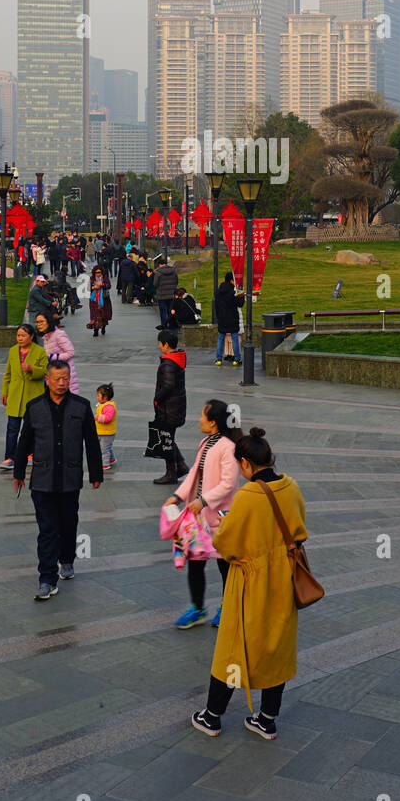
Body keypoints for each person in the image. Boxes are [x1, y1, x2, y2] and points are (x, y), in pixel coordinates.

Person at [191, 429, 308, 742]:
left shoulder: (247, 496)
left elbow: (225, 543)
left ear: (245, 463)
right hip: (284, 578)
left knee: (234, 647)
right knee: (276, 645)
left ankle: (212, 716)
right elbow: (299, 528)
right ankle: (267, 719)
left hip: (250, 581)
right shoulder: (291, 486)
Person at [14, 360, 103, 600]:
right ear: (48, 380)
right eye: (57, 379)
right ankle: (47, 578)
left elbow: (92, 443)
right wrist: (18, 472)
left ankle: (67, 559)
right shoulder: (34, 408)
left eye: (65, 378)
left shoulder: (81, 407)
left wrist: (96, 474)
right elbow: (24, 443)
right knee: (47, 529)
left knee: (68, 523)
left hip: (70, 478)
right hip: (42, 479)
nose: (62, 383)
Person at [164, 399, 241, 629]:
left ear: (214, 423)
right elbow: (192, 475)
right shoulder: (205, 442)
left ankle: (228, 606)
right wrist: (178, 497)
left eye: (202, 416)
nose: (199, 419)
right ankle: (197, 608)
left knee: (225, 566)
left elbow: (229, 483)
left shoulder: (228, 447)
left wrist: (204, 500)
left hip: (219, 518)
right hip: (197, 517)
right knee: (196, 563)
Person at [0, 323, 48, 469]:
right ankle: (10, 457)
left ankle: (31, 453)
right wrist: (5, 392)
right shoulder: (13, 351)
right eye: (18, 335)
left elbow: (46, 371)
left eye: (23, 335)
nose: (19, 338)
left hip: (33, 396)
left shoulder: (39, 352)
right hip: (15, 395)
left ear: (31, 336)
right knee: (12, 429)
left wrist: (32, 369)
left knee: (31, 428)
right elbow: (7, 373)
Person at [152, 329, 190, 485]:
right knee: (168, 437)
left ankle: (171, 473)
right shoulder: (177, 359)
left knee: (165, 439)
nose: (159, 346)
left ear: (165, 344)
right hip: (176, 406)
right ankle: (180, 465)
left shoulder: (168, 363)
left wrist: (157, 399)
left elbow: (168, 385)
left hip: (168, 408)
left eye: (160, 344)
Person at [35, 312, 78, 392]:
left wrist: (52, 357)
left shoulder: (58, 334)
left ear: (49, 321)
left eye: (41, 321)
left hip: (65, 374)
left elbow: (71, 352)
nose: (39, 324)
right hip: (54, 374)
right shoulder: (46, 337)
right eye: (37, 322)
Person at [214, 273, 244, 366]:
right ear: (231, 280)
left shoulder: (218, 292)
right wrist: (241, 294)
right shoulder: (232, 291)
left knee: (221, 338)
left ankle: (218, 358)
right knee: (234, 338)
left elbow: (216, 306)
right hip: (232, 318)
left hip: (222, 319)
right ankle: (237, 359)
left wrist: (219, 317)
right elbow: (240, 304)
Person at [95, 382, 117, 470]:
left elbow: (108, 418)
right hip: (103, 432)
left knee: (104, 450)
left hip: (107, 433)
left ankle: (105, 464)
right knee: (107, 447)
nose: (97, 397)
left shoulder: (109, 407)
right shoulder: (103, 405)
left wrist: (98, 417)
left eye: (98, 395)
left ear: (105, 397)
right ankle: (112, 459)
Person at [86, 265, 112, 336]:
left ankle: (103, 327)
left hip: (104, 299)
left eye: (99, 272)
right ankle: (95, 330)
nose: (98, 274)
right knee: (95, 315)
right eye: (96, 272)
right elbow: (88, 288)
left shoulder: (105, 278)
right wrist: (94, 287)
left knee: (103, 314)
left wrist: (102, 285)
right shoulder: (92, 278)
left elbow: (109, 286)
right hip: (94, 300)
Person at [153, 257, 180, 327]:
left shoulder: (158, 272)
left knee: (163, 311)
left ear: (160, 265)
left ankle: (164, 325)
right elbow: (177, 281)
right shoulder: (173, 271)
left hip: (161, 295)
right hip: (171, 294)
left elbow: (155, 284)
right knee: (170, 310)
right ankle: (171, 324)